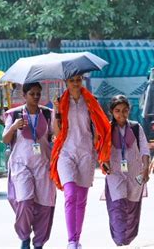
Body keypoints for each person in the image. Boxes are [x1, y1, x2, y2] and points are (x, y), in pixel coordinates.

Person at [49, 74, 111, 249]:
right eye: (72, 81)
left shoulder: (92, 101)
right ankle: (71, 240)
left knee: (81, 198)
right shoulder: (60, 102)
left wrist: (101, 151)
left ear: (82, 81)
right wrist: (57, 112)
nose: (76, 84)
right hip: (66, 152)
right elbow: (56, 131)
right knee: (70, 194)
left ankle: (77, 240)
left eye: (78, 80)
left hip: (86, 152)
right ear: (66, 83)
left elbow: (100, 125)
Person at [2, 82, 56, 249]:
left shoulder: (48, 114)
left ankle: (39, 242)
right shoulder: (13, 114)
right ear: (24, 96)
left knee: (45, 205)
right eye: (32, 94)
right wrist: (13, 127)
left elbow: (57, 135)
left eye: (38, 94)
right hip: (21, 165)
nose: (35, 97)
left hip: (43, 164)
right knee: (24, 202)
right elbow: (5, 139)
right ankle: (24, 237)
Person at [104, 95, 150, 246]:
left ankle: (127, 238)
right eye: (117, 111)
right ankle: (119, 239)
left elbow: (144, 150)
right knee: (118, 206)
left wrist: (146, 170)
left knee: (131, 209)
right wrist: (103, 162)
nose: (121, 114)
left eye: (124, 110)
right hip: (115, 172)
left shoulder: (136, 128)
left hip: (135, 173)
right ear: (112, 112)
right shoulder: (107, 129)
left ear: (129, 111)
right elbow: (100, 150)